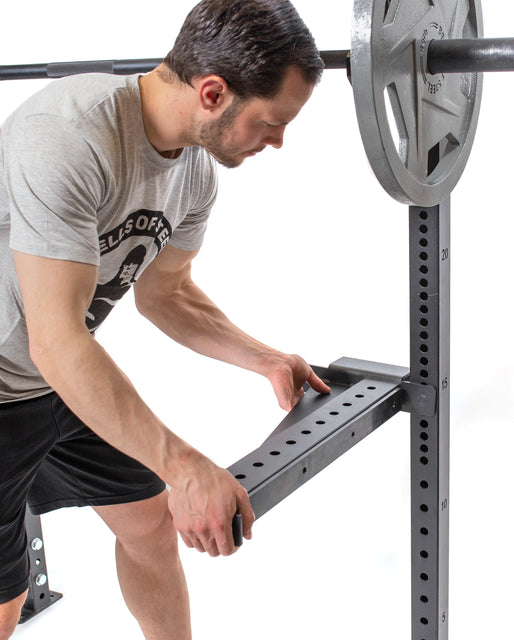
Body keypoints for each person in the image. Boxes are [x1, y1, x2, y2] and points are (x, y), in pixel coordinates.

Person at [0, 1, 329, 638]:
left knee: (149, 523)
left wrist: (261, 357)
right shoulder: (69, 135)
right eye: (272, 123)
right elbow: (57, 339)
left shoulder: (195, 174)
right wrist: (183, 466)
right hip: (26, 372)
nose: (278, 142)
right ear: (213, 92)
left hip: (50, 379)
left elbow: (168, 294)